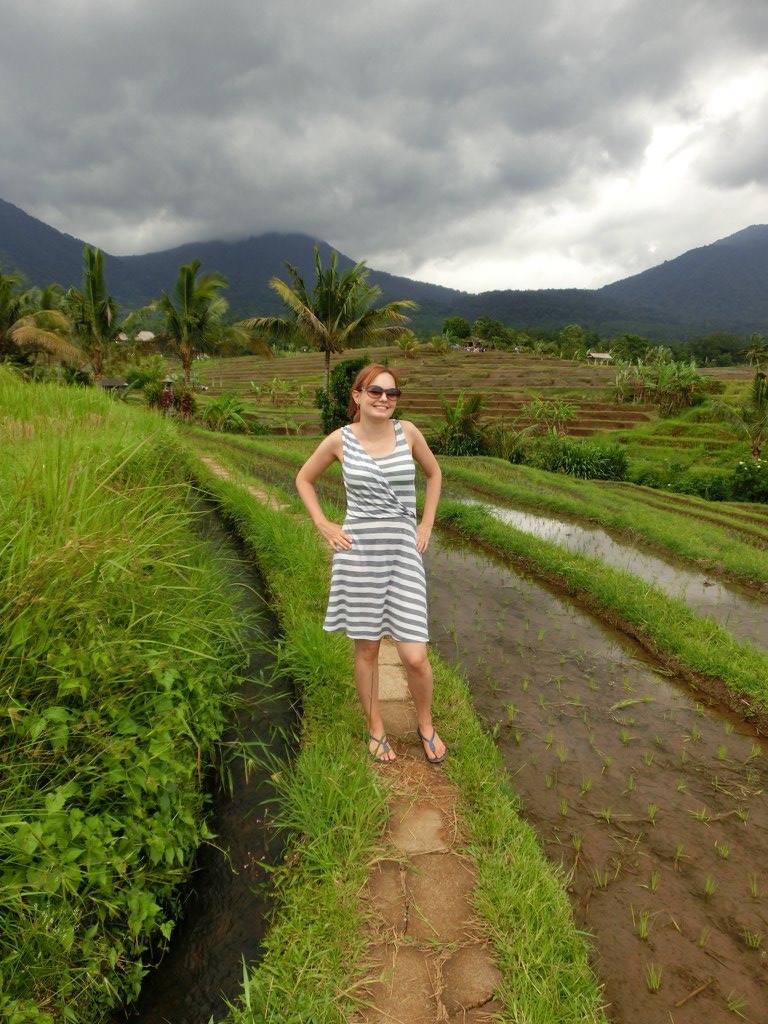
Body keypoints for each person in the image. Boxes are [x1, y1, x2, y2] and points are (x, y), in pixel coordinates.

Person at [294, 363, 447, 765]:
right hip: (359, 556)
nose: (384, 399)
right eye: (375, 391)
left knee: (414, 654)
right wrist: (323, 523)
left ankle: (426, 724)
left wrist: (426, 522)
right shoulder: (339, 440)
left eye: (392, 393)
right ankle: (375, 727)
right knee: (367, 649)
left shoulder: (408, 433)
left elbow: (434, 474)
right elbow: (303, 480)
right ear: (357, 396)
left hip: (402, 553)